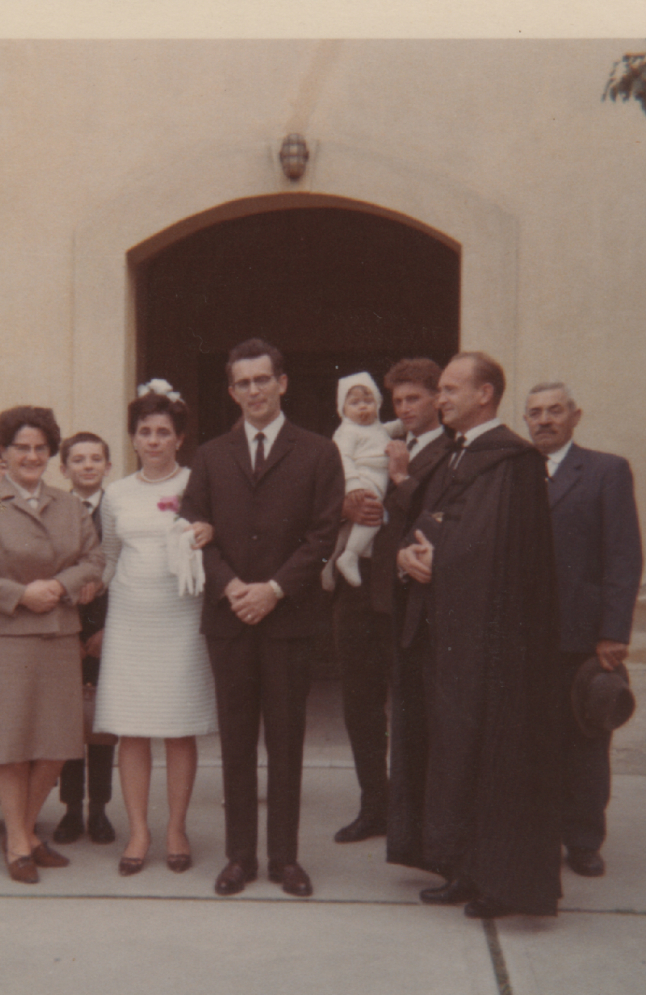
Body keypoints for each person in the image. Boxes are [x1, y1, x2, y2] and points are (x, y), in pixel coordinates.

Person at [397, 352, 561, 919]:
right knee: (454, 750)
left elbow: (492, 546)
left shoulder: (511, 462)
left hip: (494, 641)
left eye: (449, 389)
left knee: (493, 752)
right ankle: (463, 867)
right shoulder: (453, 456)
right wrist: (408, 554)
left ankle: (501, 882)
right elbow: (426, 522)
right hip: (451, 632)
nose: (439, 399)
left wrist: (439, 557)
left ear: (485, 395)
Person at [182, 339, 345, 897]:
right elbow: (194, 530)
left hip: (288, 618)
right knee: (235, 741)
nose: (253, 391)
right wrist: (232, 588)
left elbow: (324, 537)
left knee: (286, 740)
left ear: (282, 383)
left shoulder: (319, 452)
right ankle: (239, 856)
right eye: (242, 383)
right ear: (231, 390)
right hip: (229, 619)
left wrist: (274, 590)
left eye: (262, 380)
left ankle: (285, 858)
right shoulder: (209, 455)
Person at [0, 406, 105, 884]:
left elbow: (94, 558)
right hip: (4, 636)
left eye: (41, 448)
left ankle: (22, 832)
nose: (32, 456)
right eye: (22, 447)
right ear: (2, 452)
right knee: (13, 746)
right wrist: (21, 594)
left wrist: (58, 587)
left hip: (59, 632)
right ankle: (20, 842)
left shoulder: (68, 505)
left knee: (58, 742)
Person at [93, 383, 216, 875]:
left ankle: (177, 828)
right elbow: (107, 557)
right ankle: (140, 830)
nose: (153, 440)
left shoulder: (197, 485)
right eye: (144, 432)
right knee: (133, 730)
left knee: (178, 727)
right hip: (130, 619)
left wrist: (209, 532)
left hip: (182, 617)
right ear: (133, 438)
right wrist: (85, 599)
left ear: (179, 438)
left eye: (163, 432)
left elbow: (212, 539)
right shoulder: (115, 494)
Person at [524, 382, 643, 878]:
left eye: (555, 411)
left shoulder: (605, 471)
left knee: (585, 741)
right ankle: (534, 834)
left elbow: (623, 555)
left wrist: (613, 631)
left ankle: (583, 839)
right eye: (535, 413)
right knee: (531, 740)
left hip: (583, 638)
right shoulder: (514, 471)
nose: (544, 420)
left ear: (576, 417)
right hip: (524, 636)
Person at [332, 358, 450, 845]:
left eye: (414, 398)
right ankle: (373, 803)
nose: (406, 408)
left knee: (414, 708)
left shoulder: (453, 449)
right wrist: (346, 504)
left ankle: (415, 811)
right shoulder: (365, 439)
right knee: (360, 702)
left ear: (437, 399)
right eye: (399, 399)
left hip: (414, 598)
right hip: (360, 589)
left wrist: (402, 480)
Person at [52, 431, 118, 847]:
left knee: (102, 721)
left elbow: (124, 567)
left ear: (108, 466)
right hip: (64, 627)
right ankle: (71, 809)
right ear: (64, 469)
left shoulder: (117, 508)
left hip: (109, 626)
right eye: (79, 460)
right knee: (66, 722)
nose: (88, 466)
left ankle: (99, 809)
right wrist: (67, 629)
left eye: (96, 459)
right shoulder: (55, 510)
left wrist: (109, 629)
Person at [327, 371, 405, 588]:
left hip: (373, 477)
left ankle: (331, 560)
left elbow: (390, 429)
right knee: (372, 512)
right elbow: (342, 457)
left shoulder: (376, 428)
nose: (362, 407)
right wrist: (352, 484)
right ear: (343, 409)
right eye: (354, 403)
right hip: (363, 480)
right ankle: (351, 555)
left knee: (348, 529)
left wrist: (404, 423)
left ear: (377, 404)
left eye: (368, 401)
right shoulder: (348, 431)